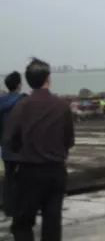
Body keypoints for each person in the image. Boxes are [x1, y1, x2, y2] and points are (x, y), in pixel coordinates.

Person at [3, 58, 75, 241]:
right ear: (48, 78)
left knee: (22, 223)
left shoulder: (21, 106)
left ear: (28, 81)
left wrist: (23, 150)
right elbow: (69, 140)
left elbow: (10, 139)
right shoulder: (62, 106)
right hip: (56, 170)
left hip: (29, 171)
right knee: (52, 223)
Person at [1, 72, 26, 218]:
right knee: (24, 177)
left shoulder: (1, 101)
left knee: (9, 177)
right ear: (19, 85)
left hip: (6, 146)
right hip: (22, 146)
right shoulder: (23, 101)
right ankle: (21, 206)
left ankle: (8, 208)